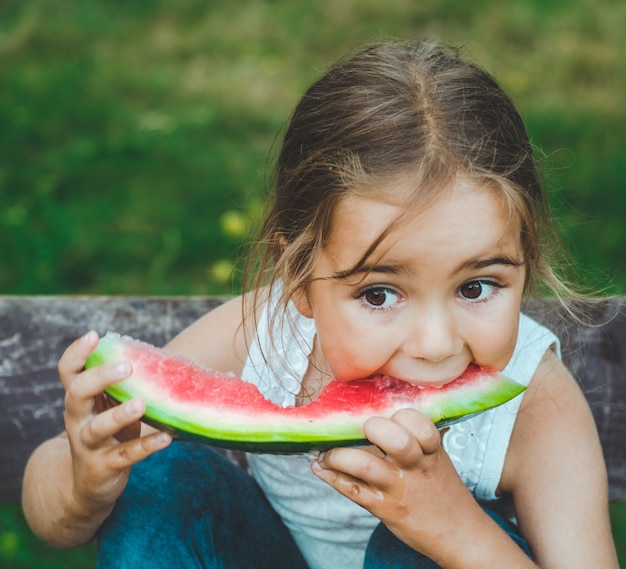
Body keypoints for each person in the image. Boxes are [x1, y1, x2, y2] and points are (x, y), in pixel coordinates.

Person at [22, 40, 618, 569]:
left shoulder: (538, 408)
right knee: (159, 481)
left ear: (524, 255)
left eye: (476, 286)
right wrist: (84, 483)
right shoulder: (263, 337)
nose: (436, 343)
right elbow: (52, 518)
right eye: (380, 294)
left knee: (407, 551)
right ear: (300, 282)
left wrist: (459, 535)